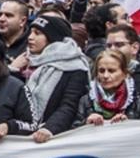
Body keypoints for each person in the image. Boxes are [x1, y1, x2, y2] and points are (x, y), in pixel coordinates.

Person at [17, 15, 89, 144]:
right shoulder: (25, 62)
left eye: (37, 33)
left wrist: (49, 128)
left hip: (55, 139)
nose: (30, 37)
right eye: (31, 32)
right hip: (24, 134)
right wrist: (13, 70)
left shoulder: (75, 68)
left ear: (53, 38)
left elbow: (69, 106)